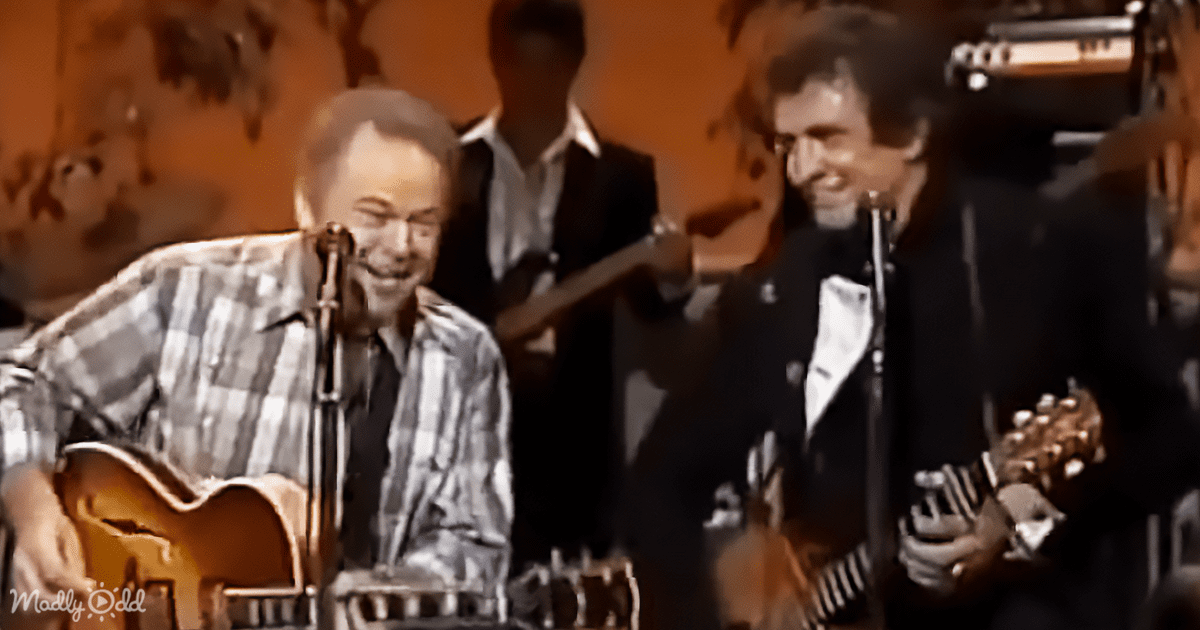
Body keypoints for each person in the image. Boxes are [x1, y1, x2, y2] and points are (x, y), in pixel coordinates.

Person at [626, 6, 1200, 630]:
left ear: (912, 134)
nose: (801, 170)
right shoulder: (788, 284)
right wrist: (714, 599)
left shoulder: (1039, 248)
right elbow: (661, 479)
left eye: (828, 137)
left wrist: (1022, 519)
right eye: (789, 144)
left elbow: (1167, 437)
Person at [0, 88, 514, 619]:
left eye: (424, 223)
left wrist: (368, 599)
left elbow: (475, 550)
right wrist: (31, 510)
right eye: (375, 216)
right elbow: (22, 381)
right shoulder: (186, 290)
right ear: (306, 206)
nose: (402, 246)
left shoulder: (464, 359)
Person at [430, 0, 680, 570]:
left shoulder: (621, 176)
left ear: (574, 65)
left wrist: (676, 276)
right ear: (496, 61)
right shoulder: (450, 159)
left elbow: (650, 306)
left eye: (548, 68)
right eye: (519, 65)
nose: (532, 84)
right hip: (461, 416)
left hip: (573, 438)